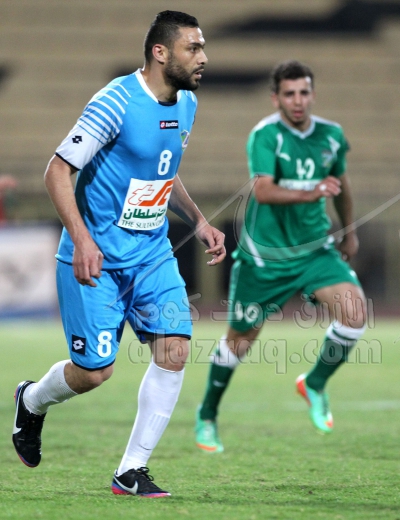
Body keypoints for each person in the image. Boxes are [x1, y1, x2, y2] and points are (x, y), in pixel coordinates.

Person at [12, 11, 225, 498]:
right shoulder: (116, 102)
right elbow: (57, 170)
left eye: (203, 47)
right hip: (98, 259)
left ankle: (131, 470)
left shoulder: (187, 103)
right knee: (94, 373)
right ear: (160, 52)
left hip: (151, 253)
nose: (203, 57)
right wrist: (83, 239)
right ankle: (32, 400)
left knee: (175, 350)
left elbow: (161, 171)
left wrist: (198, 219)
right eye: (193, 48)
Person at [195, 60, 366, 453]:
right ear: (276, 98)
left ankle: (315, 384)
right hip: (265, 257)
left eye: (304, 92)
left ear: (313, 94)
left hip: (314, 250)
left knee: (355, 313)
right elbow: (263, 190)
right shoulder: (265, 135)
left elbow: (342, 186)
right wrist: (312, 192)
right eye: (289, 94)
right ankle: (207, 414)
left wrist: (349, 231)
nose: (298, 100)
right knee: (240, 341)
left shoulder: (332, 135)